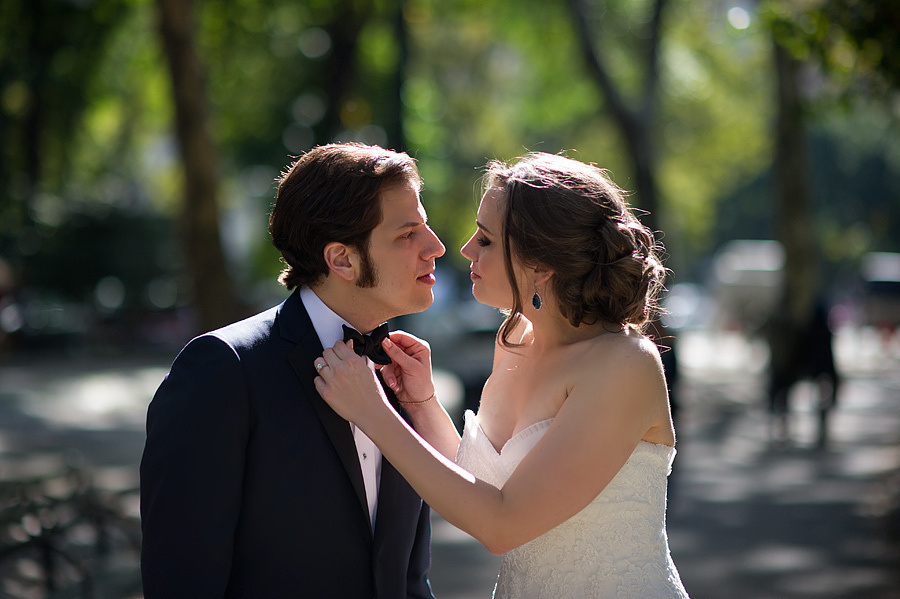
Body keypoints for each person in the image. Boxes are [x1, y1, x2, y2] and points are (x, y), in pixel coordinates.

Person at [315, 152, 690, 598]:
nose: (464, 249)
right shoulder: (515, 338)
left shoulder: (625, 366)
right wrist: (421, 402)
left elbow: (502, 524)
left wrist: (373, 414)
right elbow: (478, 488)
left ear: (541, 265)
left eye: (487, 240)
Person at [140, 143, 444, 598]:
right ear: (342, 259)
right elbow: (183, 578)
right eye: (407, 234)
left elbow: (408, 578)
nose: (435, 246)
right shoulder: (224, 370)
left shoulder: (401, 370)